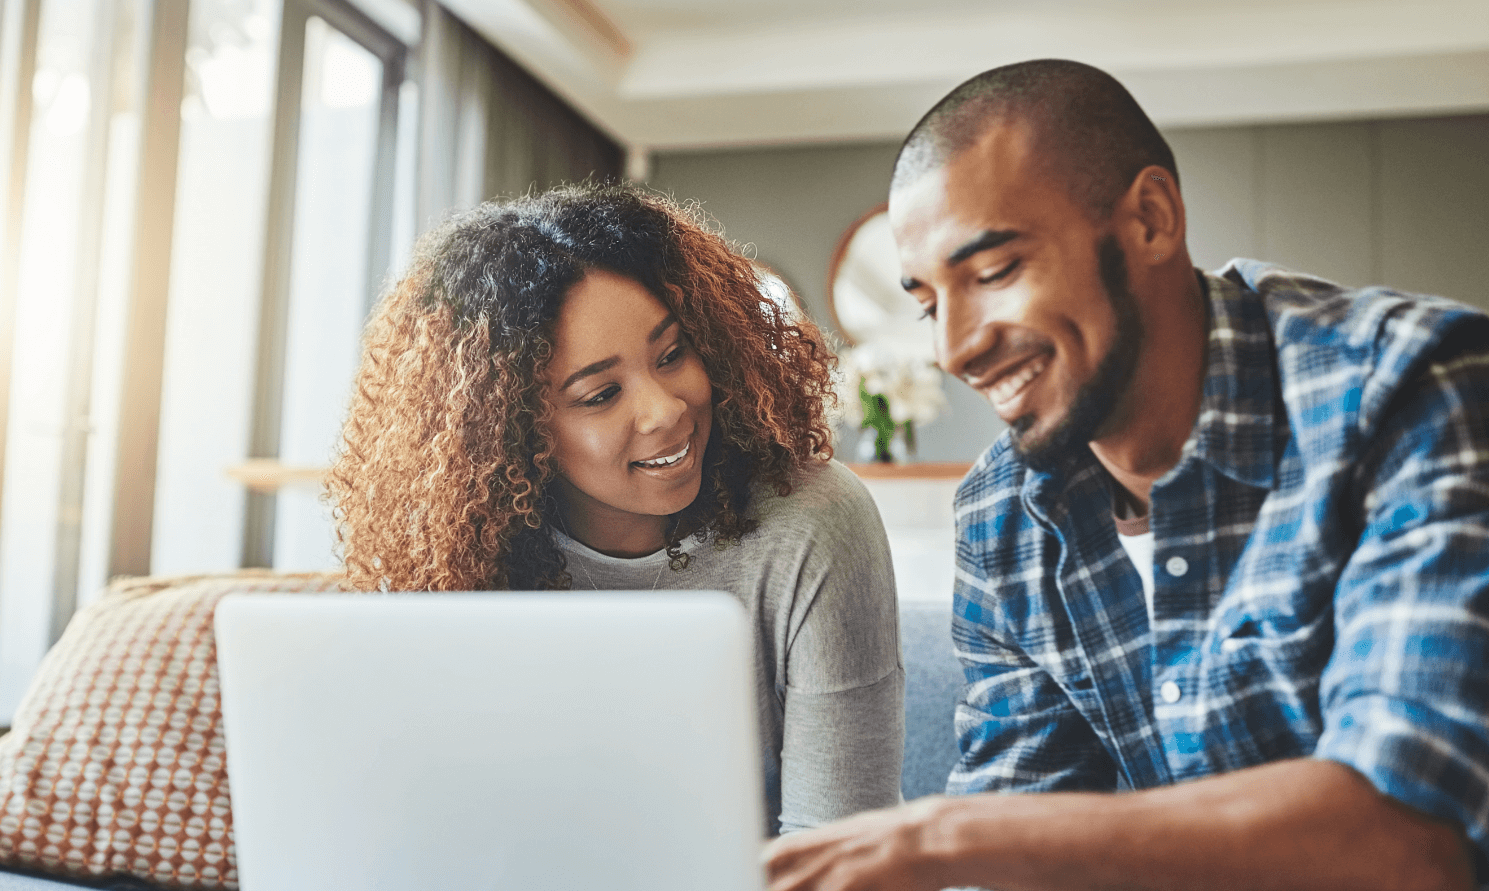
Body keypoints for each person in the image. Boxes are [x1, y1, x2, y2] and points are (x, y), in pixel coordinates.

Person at [764, 59, 1489, 891]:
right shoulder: (1003, 511)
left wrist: (947, 833)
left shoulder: (1412, 387)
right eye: (931, 303)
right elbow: (1020, 822)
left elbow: (1412, 839)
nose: (955, 348)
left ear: (1151, 218)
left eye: (995, 273)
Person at [327, 182, 904, 834]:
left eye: (671, 354)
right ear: (516, 428)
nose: (665, 410)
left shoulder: (812, 521)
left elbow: (846, 852)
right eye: (601, 394)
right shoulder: (454, 552)